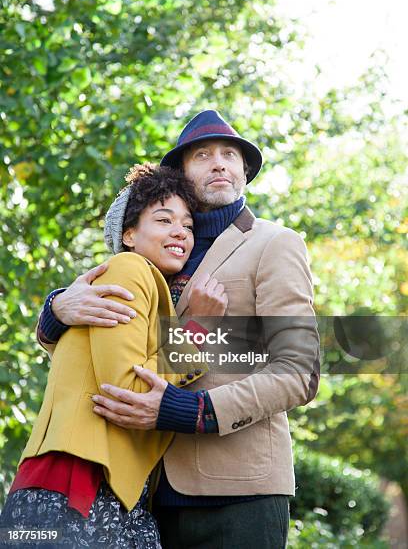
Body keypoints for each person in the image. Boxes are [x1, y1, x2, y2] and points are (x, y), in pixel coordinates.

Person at [35, 110, 320, 549]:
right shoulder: (156, 247)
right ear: (181, 174)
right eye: (203, 155)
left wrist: (197, 411)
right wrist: (57, 309)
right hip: (141, 495)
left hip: (239, 492)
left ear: (244, 171)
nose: (220, 162)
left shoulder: (276, 243)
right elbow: (105, 345)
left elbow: (298, 370)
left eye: (230, 154)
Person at [0, 164, 228, 548]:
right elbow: (124, 388)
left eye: (188, 226)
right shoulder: (128, 269)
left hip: (112, 494)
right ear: (129, 234)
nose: (181, 232)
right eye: (164, 219)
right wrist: (199, 329)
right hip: (75, 485)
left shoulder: (148, 288)